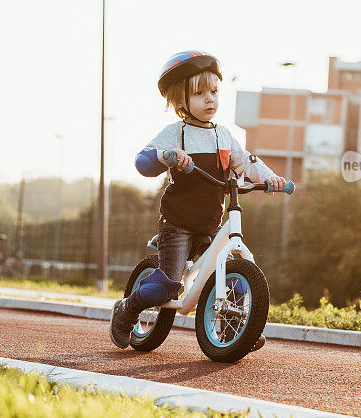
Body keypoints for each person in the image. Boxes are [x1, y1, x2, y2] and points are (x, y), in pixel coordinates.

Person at [109, 50, 286, 350]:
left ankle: (237, 328)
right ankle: (126, 310)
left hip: (209, 225)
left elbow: (246, 163)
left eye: (215, 92)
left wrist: (269, 177)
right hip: (177, 225)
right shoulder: (176, 133)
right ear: (180, 101)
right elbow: (143, 160)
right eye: (200, 93)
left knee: (230, 272)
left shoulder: (224, 137)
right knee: (167, 286)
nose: (210, 100)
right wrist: (166, 156)